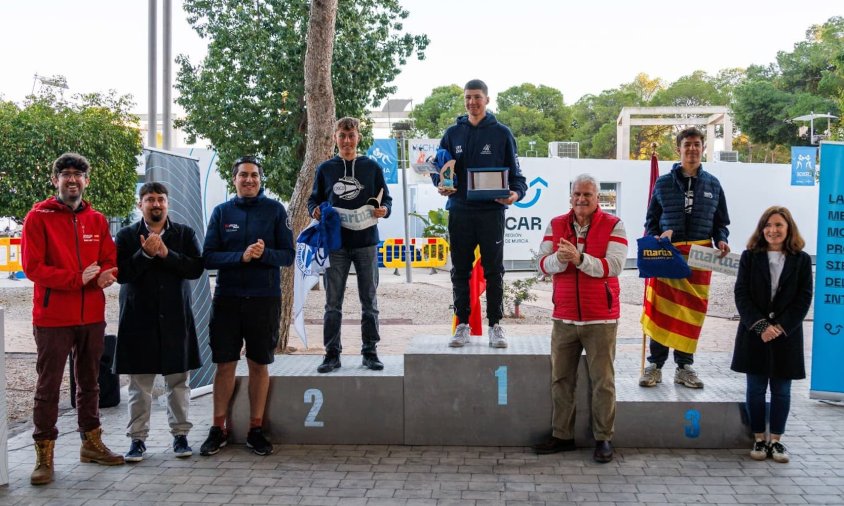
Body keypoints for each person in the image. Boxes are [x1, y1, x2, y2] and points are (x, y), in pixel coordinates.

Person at [21, 153, 124, 485]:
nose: (72, 180)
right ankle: (44, 457)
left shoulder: (96, 220)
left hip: (91, 316)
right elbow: (33, 268)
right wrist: (76, 278)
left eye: (78, 175)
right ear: (55, 181)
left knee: (90, 383)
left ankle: (91, 445)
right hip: (53, 317)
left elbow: (109, 258)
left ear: (86, 181)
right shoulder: (37, 218)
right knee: (48, 387)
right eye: (65, 174)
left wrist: (105, 276)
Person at [200, 156, 295, 456]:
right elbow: (208, 257)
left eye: (254, 175)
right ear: (235, 179)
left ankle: (256, 429)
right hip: (227, 299)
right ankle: (218, 429)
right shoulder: (221, 212)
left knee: (259, 364)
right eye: (243, 175)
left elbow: (288, 256)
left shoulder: (275, 211)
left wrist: (265, 254)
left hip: (264, 300)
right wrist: (239, 257)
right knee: (224, 364)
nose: (249, 180)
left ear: (260, 179)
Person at [531, 174, 627, 463]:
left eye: (588, 194)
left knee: (603, 382)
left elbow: (614, 266)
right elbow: (540, 264)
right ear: (570, 197)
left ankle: (604, 439)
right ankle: (562, 436)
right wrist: (560, 260)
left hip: (601, 318)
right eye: (577, 194)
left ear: (598, 198)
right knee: (561, 379)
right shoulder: (556, 224)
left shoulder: (614, 224)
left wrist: (579, 259)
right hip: (564, 317)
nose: (581, 199)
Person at [113, 182, 204, 462]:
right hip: (138, 320)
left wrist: (166, 254)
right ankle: (137, 441)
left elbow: (195, 268)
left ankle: (180, 436)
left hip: (176, 318)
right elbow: (122, 274)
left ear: (168, 203)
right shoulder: (127, 236)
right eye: (150, 199)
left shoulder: (184, 233)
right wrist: (145, 254)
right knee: (139, 386)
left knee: (178, 383)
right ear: (140, 204)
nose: (156, 204)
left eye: (161, 199)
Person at [434, 79, 527, 348]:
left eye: (476, 97)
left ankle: (496, 325)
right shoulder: (452, 133)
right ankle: (462, 324)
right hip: (460, 212)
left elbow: (518, 177)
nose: (472, 102)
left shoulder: (502, 134)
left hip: (491, 213)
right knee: (459, 271)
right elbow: (439, 170)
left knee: (494, 271)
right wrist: (441, 186)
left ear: (487, 99)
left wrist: (515, 194)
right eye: (467, 97)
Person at [640, 127, 730, 389]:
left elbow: (721, 222)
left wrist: (721, 239)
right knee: (662, 309)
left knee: (691, 312)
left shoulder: (713, 184)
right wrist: (657, 238)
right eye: (687, 144)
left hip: (701, 259)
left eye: (697, 144)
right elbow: (651, 222)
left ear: (703, 148)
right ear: (678, 149)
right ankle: (654, 365)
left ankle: (684, 367)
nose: (692, 149)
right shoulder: (663, 183)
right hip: (669, 254)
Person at [307, 117, 392, 373]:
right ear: (334, 137)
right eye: (342, 136)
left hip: (366, 242)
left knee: (369, 300)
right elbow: (313, 200)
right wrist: (315, 212)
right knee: (333, 302)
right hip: (336, 244)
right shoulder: (325, 169)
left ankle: (370, 352)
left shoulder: (372, 167)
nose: (346, 141)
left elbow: (385, 198)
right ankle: (332, 354)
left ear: (358, 137)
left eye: (351, 135)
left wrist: (384, 210)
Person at [731, 206, 812, 464]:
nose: (772, 230)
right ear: (761, 228)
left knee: (781, 391)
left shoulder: (801, 259)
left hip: (786, 336)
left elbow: (803, 299)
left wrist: (780, 327)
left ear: (788, 229)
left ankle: (776, 441)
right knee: (755, 389)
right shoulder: (749, 256)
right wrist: (761, 326)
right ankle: (758, 438)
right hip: (754, 334)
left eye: (778, 225)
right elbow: (741, 294)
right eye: (768, 225)